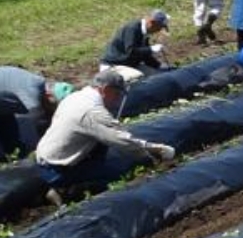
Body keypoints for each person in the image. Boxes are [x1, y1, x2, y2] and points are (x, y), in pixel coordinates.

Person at [33, 72, 175, 204]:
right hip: (57, 168)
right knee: (116, 174)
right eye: (117, 94)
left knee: (102, 145)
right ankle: (67, 191)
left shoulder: (75, 97)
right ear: (106, 90)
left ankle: (67, 184)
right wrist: (151, 154)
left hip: (44, 158)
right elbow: (121, 140)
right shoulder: (92, 111)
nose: (118, 100)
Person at [0, 67, 71, 158]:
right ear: (49, 96)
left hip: (4, 103)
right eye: (55, 106)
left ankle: (12, 152)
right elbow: (40, 123)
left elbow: (47, 111)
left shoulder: (40, 83)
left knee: (9, 133)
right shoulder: (32, 92)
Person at [100, 10, 172, 82]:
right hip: (113, 66)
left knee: (158, 77)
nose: (159, 30)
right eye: (159, 27)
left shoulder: (145, 33)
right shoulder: (132, 29)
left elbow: (144, 56)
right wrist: (150, 49)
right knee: (140, 80)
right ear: (152, 22)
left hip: (129, 65)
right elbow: (131, 51)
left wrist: (159, 65)